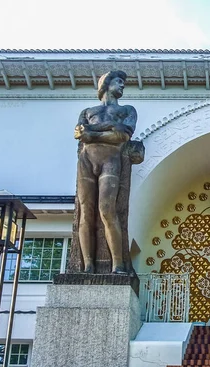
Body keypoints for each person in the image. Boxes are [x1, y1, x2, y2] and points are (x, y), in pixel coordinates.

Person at [74, 70, 137, 273]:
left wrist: (93, 134)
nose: (122, 85)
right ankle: (87, 264)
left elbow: (123, 135)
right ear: (106, 84)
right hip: (86, 160)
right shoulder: (87, 111)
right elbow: (79, 133)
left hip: (111, 159)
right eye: (119, 81)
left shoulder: (128, 109)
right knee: (86, 212)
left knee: (106, 210)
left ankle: (117, 263)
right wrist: (109, 128)